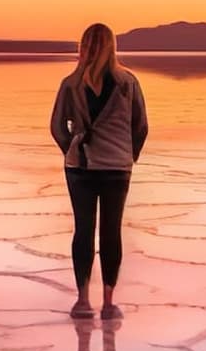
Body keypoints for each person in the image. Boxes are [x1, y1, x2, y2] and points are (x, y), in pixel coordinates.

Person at [48, 22, 148, 321]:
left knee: (83, 229)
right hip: (117, 168)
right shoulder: (128, 82)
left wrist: (72, 149)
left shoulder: (70, 83)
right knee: (110, 231)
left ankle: (82, 300)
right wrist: (127, 155)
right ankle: (107, 302)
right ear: (112, 46)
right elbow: (140, 126)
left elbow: (57, 127)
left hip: (81, 167)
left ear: (83, 47)